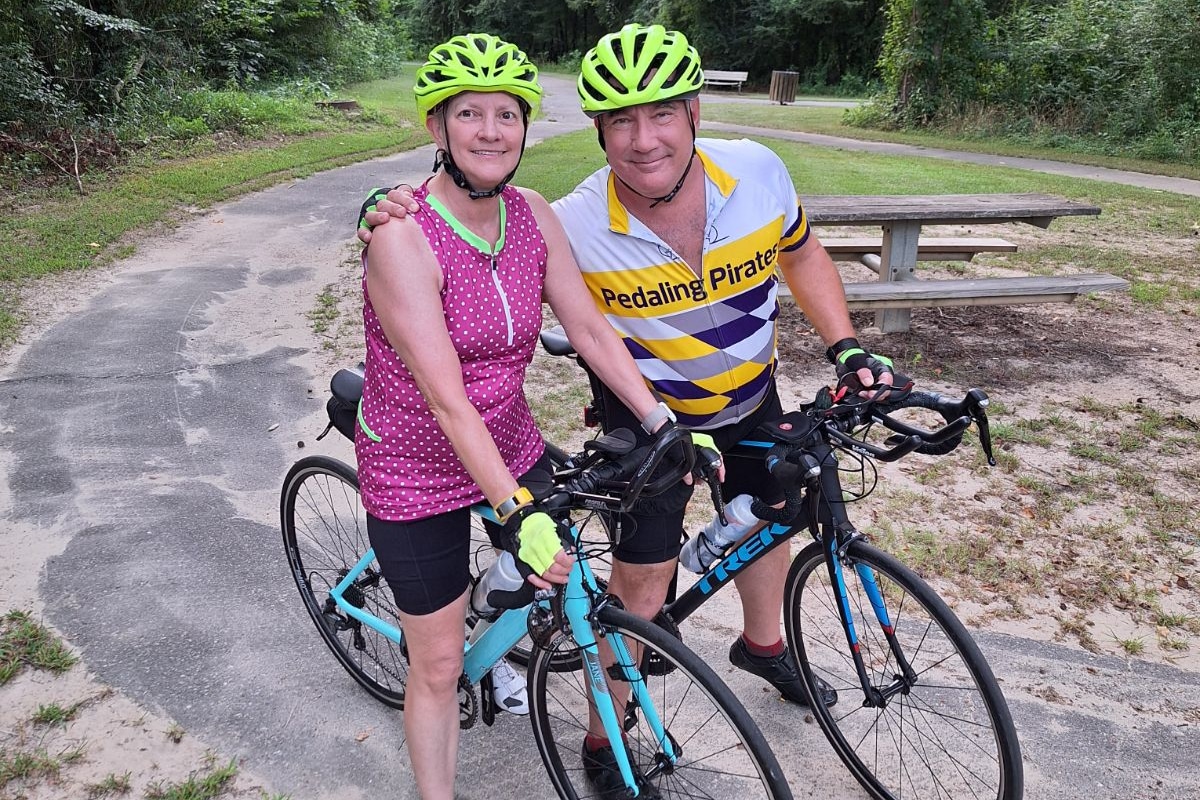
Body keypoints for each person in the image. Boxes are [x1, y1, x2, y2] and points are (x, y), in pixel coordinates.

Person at [361, 15, 895, 747]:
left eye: (663, 115)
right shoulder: (576, 219)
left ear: (694, 113)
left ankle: (764, 645)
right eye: (622, 122)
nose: (644, 140)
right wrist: (384, 207)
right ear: (599, 133)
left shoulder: (758, 170)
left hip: (752, 392)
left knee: (771, 515)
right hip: (645, 415)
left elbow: (801, 254)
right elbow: (471, 219)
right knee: (640, 581)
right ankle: (603, 739)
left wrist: (847, 347)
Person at [354, 33, 679, 800]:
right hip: (414, 466)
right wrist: (516, 510)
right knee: (437, 664)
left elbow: (589, 327)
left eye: (507, 114)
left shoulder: (530, 213)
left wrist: (660, 421)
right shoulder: (401, 236)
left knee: (562, 575)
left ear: (526, 126)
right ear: (437, 126)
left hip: (507, 439)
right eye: (469, 113)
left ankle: (488, 608)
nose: (491, 131)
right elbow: (447, 400)